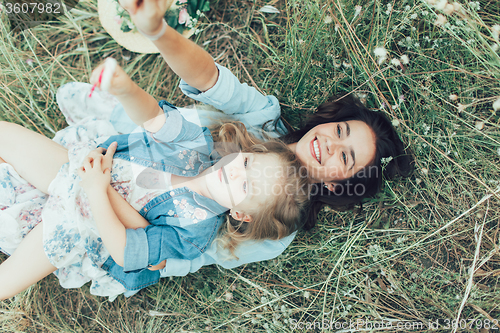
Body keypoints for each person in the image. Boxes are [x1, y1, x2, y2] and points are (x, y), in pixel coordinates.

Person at [73, 0, 411, 278]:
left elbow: (165, 257)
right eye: (340, 131)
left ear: (339, 186)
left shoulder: (274, 232)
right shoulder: (262, 118)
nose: (331, 144)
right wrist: (159, 32)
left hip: (117, 215)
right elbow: (206, 77)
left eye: (346, 157)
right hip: (129, 144)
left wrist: (105, 190)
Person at [0, 62, 309, 301]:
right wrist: (123, 88)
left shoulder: (194, 233)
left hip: (91, 225)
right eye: (247, 163)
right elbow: (153, 118)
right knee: (8, 137)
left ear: (241, 214)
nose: (236, 173)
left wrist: (97, 189)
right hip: (83, 167)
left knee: (24, 264)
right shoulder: (198, 145)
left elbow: (125, 250)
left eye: (247, 187)